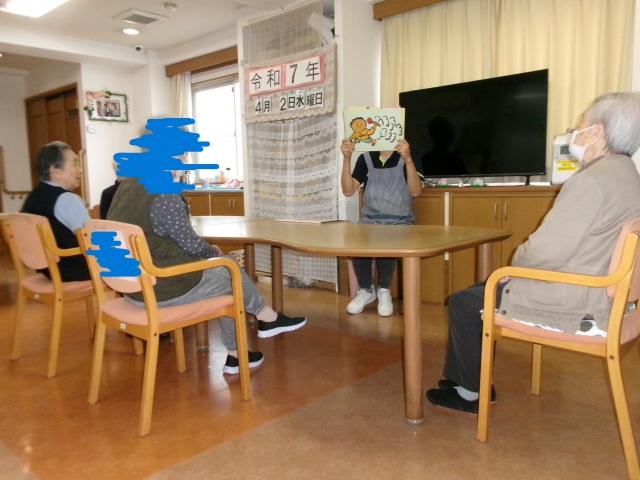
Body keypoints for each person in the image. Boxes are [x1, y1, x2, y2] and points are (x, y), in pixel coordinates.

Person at [426, 92, 640, 414]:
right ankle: (466, 378)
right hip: (607, 295)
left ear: (597, 132)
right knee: (481, 290)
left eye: (578, 127)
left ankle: (471, 393)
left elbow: (543, 253)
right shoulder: (628, 175)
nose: (574, 134)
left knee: (464, 302)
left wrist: (515, 266)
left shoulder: (591, 182)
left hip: (578, 299)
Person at [107, 156, 307, 375]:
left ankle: (256, 331)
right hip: (162, 288)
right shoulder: (164, 192)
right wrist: (213, 252)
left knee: (226, 269)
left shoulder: (126, 186)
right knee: (230, 275)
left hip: (133, 288)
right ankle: (255, 332)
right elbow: (191, 244)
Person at [340, 137, 423, 316]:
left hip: (400, 220)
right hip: (370, 220)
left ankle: (384, 289)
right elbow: (348, 191)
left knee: (388, 239)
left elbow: (416, 191)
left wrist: (408, 159)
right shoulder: (366, 158)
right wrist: (346, 159)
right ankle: (366, 289)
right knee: (356, 239)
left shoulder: (409, 156)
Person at [21, 141, 91, 282]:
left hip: (49, 269)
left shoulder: (33, 196)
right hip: (77, 269)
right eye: (75, 164)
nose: (80, 170)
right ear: (55, 171)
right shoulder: (67, 199)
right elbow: (92, 238)